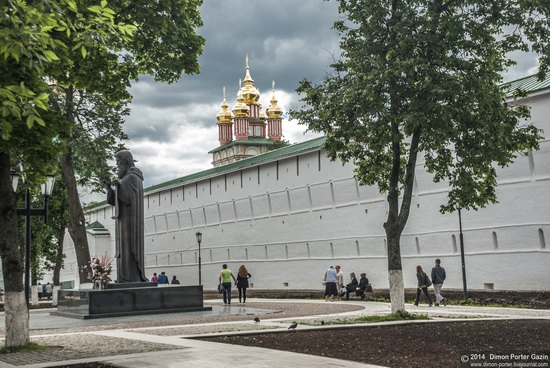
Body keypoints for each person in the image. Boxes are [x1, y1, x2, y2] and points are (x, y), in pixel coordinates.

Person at [104, 150, 148, 283]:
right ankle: (124, 276)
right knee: (123, 248)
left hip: (130, 221)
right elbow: (116, 200)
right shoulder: (127, 178)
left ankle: (130, 277)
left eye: (118, 163)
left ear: (125, 162)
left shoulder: (132, 177)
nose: (117, 166)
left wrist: (117, 185)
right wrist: (109, 188)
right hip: (124, 219)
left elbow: (127, 197)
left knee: (128, 247)